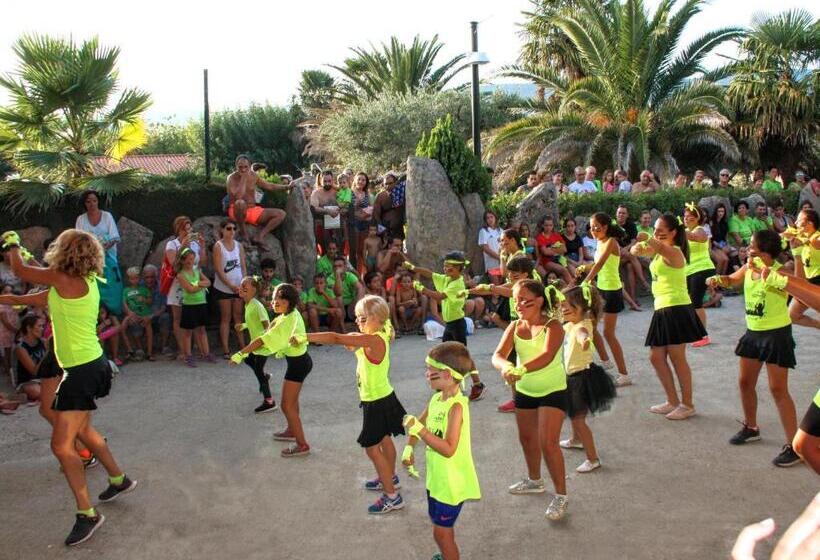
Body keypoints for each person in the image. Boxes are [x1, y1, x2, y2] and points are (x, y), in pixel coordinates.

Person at [1, 229, 135, 546]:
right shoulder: (77, 282)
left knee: (62, 446)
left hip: (82, 371)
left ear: (64, 252)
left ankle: (87, 514)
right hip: (86, 367)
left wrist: (13, 243)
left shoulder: (63, 279)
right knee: (81, 431)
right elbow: (25, 297)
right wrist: (8, 299)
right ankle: (119, 479)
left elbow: (20, 269)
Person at [300, 295, 406, 513]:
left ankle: (392, 496)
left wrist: (304, 336)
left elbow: (336, 338)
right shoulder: (379, 332)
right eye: (357, 318)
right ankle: (390, 477)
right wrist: (355, 336)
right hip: (385, 397)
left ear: (378, 318)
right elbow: (352, 341)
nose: (358, 322)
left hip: (376, 401)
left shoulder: (373, 339)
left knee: (372, 449)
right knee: (385, 441)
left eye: (363, 318)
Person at [707, 230, 801, 467]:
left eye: (752, 246)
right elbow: (732, 280)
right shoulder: (749, 267)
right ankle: (751, 427)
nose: (748, 249)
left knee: (778, 389)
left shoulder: (780, 272)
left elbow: (794, 288)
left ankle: (795, 446)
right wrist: (719, 280)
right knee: (745, 382)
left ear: (766, 252)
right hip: (753, 333)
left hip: (776, 334)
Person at [492, 279, 568, 520]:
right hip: (525, 391)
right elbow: (498, 355)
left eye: (525, 299)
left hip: (553, 390)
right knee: (526, 438)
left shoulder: (554, 326)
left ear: (539, 300)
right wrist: (505, 367)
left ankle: (561, 496)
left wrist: (520, 369)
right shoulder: (514, 326)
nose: (519, 304)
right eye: (516, 300)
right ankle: (535, 480)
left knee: (549, 443)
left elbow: (546, 356)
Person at [402, 342, 481, 560]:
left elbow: (448, 449)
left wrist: (421, 431)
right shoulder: (437, 398)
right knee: (438, 525)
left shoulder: (456, 407)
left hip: (451, 483)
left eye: (431, 371)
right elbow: (420, 422)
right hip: (437, 479)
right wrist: (409, 448)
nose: (426, 374)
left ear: (447, 375)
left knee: (442, 534)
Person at [631, 214, 705, 420]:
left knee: (677, 357)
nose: (657, 234)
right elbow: (636, 250)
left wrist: (647, 237)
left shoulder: (675, 252)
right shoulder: (658, 249)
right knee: (656, 357)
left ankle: (688, 404)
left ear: (674, 232)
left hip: (676, 307)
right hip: (662, 308)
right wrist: (636, 248)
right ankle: (672, 400)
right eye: (655, 230)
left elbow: (658, 246)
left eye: (661, 230)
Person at [405, 252, 487, 401]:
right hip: (449, 324)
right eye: (445, 266)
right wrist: (413, 268)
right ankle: (446, 384)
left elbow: (439, 296)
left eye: (450, 268)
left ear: (459, 270)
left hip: (457, 324)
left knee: (464, 357)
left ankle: (477, 384)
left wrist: (421, 289)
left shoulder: (457, 284)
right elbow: (430, 273)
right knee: (444, 356)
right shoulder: (447, 279)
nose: (445, 269)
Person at [558, 285, 616, 472]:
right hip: (574, 375)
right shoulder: (573, 324)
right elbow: (559, 326)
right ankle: (575, 440)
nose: (564, 309)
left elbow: (583, 335)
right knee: (575, 414)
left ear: (583, 308)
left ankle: (593, 458)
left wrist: (585, 341)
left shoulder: (581, 327)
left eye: (568, 305)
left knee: (578, 418)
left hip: (581, 378)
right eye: (562, 305)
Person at [580, 213, 631, 386]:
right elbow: (597, 264)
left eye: (597, 227)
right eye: (592, 227)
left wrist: (585, 281)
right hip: (601, 289)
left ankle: (624, 374)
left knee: (609, 333)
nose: (593, 230)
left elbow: (600, 264)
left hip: (612, 292)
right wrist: (583, 268)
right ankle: (606, 361)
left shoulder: (611, 242)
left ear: (606, 227)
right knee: (591, 326)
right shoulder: (600, 242)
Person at [231, 275, 276, 414]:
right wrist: (244, 326)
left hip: (262, 344)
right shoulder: (248, 304)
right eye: (241, 286)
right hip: (255, 343)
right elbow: (253, 322)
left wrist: (265, 340)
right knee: (249, 360)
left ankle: (269, 402)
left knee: (258, 370)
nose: (241, 288)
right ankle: (265, 376)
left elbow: (266, 325)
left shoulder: (257, 306)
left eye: (245, 287)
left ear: (253, 291)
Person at [165, 216, 207, 359]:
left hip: (194, 282)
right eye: (185, 228)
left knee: (194, 317)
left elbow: (203, 262)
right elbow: (174, 265)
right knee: (178, 318)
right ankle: (183, 350)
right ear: (178, 229)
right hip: (178, 284)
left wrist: (202, 246)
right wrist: (183, 245)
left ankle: (199, 350)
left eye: (190, 228)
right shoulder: (172, 244)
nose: (188, 231)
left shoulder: (194, 244)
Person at [75, 190, 123, 315]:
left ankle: (115, 314)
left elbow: (114, 237)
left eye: (94, 201)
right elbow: (78, 240)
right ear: (84, 203)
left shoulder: (107, 216)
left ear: (98, 201)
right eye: (88, 201)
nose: (92, 204)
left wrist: (100, 250)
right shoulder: (80, 219)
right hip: (88, 261)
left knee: (113, 287)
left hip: (108, 258)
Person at [225, 154, 290, 243]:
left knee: (281, 214)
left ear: (250, 166)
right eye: (240, 167)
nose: (243, 169)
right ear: (236, 166)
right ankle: (243, 232)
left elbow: (269, 186)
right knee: (240, 203)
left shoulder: (254, 176)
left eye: (245, 167)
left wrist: (286, 187)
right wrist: (244, 178)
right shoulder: (231, 178)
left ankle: (260, 236)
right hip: (237, 211)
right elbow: (238, 197)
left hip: (253, 210)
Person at [212, 219, 247, 358]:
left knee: (238, 317)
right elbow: (218, 269)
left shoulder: (239, 245)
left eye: (233, 228)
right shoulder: (218, 246)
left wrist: (244, 283)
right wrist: (230, 285)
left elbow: (243, 265)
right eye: (228, 228)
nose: (231, 231)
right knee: (226, 318)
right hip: (223, 287)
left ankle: (243, 346)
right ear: (222, 230)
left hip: (238, 287)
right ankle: (226, 349)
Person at [175, 247, 214, 367]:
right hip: (189, 305)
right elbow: (190, 289)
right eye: (187, 259)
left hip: (201, 303)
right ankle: (188, 356)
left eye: (192, 259)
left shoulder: (197, 271)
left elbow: (208, 282)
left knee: (202, 329)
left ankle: (206, 353)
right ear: (182, 261)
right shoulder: (181, 275)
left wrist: (198, 284)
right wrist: (201, 285)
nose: (190, 262)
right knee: (188, 332)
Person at [683, 204, 716, 347]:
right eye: (685, 217)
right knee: (690, 303)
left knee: (696, 303)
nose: (686, 220)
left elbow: (698, 238)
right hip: (688, 270)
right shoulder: (683, 231)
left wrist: (679, 232)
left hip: (702, 269)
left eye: (690, 218)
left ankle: (703, 335)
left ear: (697, 219)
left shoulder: (701, 229)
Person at [786, 208, 820, 329]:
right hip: (808, 282)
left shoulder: (816, 238)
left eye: (799, 220)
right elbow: (799, 278)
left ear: (809, 224)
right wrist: (796, 254)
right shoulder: (799, 240)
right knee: (792, 315)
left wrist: (810, 242)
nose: (795, 223)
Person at [121, 266, 154, 361]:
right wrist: (129, 313)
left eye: (136, 278)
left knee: (149, 327)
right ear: (129, 279)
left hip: (144, 313)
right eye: (132, 278)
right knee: (123, 326)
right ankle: (130, 350)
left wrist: (144, 299)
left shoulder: (144, 289)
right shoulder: (126, 290)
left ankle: (149, 353)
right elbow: (124, 303)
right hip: (132, 314)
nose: (134, 280)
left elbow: (150, 301)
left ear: (139, 278)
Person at [13, 313, 45, 402]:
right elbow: (34, 372)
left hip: (43, 380)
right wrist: (48, 354)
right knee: (37, 391)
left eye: (43, 326)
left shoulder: (43, 342)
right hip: (27, 382)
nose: (42, 329)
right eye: (39, 326)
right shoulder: (20, 347)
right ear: (29, 328)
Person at [141, 265, 172, 355]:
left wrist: (151, 316)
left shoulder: (161, 286)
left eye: (152, 277)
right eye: (147, 277)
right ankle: (139, 350)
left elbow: (163, 308)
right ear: (143, 277)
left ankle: (164, 347)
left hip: (156, 315)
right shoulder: (139, 286)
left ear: (156, 276)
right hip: (143, 315)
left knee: (166, 317)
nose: (149, 280)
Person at [535, 217, 573, 286]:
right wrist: (557, 249)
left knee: (570, 269)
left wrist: (550, 249)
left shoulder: (556, 235)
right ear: (543, 226)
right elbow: (545, 252)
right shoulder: (540, 237)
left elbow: (564, 249)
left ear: (553, 226)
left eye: (550, 225)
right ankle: (573, 287)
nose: (548, 227)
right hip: (546, 261)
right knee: (563, 270)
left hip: (559, 259)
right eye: (546, 225)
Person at [310, 170, 343, 249]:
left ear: (333, 180)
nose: (327, 183)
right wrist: (328, 211)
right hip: (322, 226)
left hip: (337, 227)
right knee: (324, 250)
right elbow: (314, 207)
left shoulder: (338, 191)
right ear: (320, 181)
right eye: (325, 181)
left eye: (329, 181)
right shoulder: (316, 193)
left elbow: (346, 204)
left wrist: (340, 210)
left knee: (338, 250)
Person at [329, 255, 365, 322]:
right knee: (339, 297)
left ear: (345, 267)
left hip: (351, 305)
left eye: (340, 266)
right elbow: (338, 292)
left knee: (361, 289)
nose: (337, 268)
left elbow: (360, 287)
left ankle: (357, 313)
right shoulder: (330, 279)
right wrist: (338, 276)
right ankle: (343, 318)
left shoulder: (349, 275)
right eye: (335, 266)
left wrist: (357, 303)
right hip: (338, 306)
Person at [372, 171, 405, 240]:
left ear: (396, 183)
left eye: (390, 183)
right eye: (385, 184)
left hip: (398, 229)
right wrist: (381, 229)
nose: (388, 186)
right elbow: (376, 215)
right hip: (385, 229)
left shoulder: (402, 193)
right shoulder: (380, 196)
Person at [350, 172, 373, 271]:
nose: (361, 182)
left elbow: (371, 208)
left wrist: (367, 214)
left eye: (363, 180)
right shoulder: (349, 192)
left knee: (362, 251)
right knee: (353, 250)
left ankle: (360, 274)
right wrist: (356, 206)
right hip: (353, 223)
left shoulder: (367, 194)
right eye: (359, 179)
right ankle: (352, 273)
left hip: (365, 224)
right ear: (355, 180)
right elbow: (347, 209)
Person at [478, 210, 503, 284]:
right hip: (492, 265)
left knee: (503, 286)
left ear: (495, 217)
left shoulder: (500, 230)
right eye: (487, 218)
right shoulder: (484, 231)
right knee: (496, 289)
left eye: (491, 217)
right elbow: (485, 248)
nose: (490, 219)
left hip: (502, 263)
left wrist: (503, 258)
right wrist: (499, 257)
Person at [710, 203, 733, 274]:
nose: (720, 213)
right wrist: (720, 247)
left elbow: (725, 237)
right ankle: (716, 281)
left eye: (722, 211)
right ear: (716, 212)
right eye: (719, 211)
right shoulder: (711, 222)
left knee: (727, 259)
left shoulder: (724, 223)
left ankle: (722, 280)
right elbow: (711, 238)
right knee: (723, 259)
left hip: (722, 244)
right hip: (713, 245)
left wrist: (727, 245)